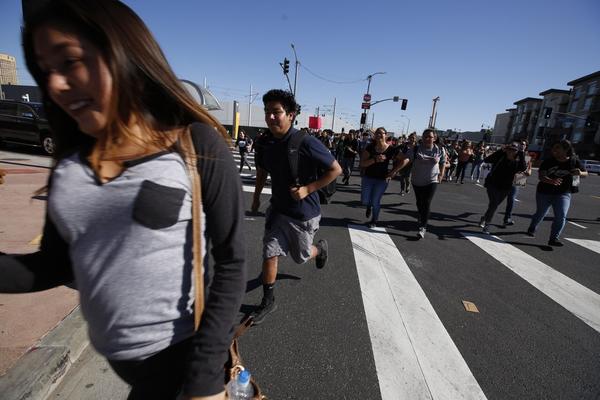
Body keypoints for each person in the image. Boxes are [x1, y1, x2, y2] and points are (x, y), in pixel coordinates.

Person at [0, 2, 246, 399]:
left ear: (122, 53)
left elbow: (232, 261)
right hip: (131, 373)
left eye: (70, 62)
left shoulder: (195, 145)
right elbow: (51, 266)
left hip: (185, 368)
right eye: (45, 71)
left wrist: (204, 378)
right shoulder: (69, 166)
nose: (56, 85)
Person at [250, 89, 341, 325]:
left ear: (291, 115)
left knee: (300, 257)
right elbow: (262, 171)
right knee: (270, 253)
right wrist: (256, 196)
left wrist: (308, 189)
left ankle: (320, 249)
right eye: (267, 112)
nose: (271, 117)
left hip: (303, 213)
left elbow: (336, 170)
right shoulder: (265, 142)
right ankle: (268, 301)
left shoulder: (305, 142)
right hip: (278, 209)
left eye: (276, 112)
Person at [527, 140, 587, 246]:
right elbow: (541, 176)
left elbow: (585, 173)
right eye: (553, 148)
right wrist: (551, 181)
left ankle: (554, 238)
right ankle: (532, 227)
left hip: (563, 193)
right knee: (541, 213)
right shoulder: (548, 161)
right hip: (544, 192)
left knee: (561, 215)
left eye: (557, 148)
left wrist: (580, 173)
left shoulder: (574, 161)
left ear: (566, 149)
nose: (554, 150)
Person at [390, 129, 446, 238]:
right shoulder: (415, 149)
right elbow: (406, 160)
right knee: (419, 202)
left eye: (430, 136)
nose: (427, 138)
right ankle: (421, 215)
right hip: (417, 181)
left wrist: (441, 175)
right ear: (422, 137)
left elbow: (443, 162)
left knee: (426, 202)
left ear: (434, 138)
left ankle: (423, 227)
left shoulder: (440, 149)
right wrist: (394, 171)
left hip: (432, 180)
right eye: (425, 136)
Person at [479, 142, 527, 234]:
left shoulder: (517, 162)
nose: (511, 151)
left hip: (506, 187)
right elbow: (487, 159)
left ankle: (484, 218)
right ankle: (487, 225)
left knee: (494, 205)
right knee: (494, 204)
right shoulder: (500, 157)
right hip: (493, 184)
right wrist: (501, 150)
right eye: (510, 149)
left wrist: (521, 153)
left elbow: (523, 168)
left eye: (514, 150)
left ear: (516, 151)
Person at [359, 127, 397, 228]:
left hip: (382, 179)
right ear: (374, 135)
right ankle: (368, 206)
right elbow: (362, 163)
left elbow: (405, 160)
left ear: (386, 135)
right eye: (377, 133)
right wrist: (375, 159)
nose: (379, 135)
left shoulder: (391, 149)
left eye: (382, 133)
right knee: (365, 200)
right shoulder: (370, 147)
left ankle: (374, 220)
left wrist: (394, 171)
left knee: (376, 201)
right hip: (368, 177)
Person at [503, 139, 532, 226]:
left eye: (524, 144)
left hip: (519, 178)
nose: (522, 145)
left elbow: (529, 170)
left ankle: (507, 218)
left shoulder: (527, 156)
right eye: (521, 144)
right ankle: (487, 216)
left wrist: (528, 173)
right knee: (498, 199)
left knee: (511, 199)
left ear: (526, 146)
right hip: (508, 177)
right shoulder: (513, 153)